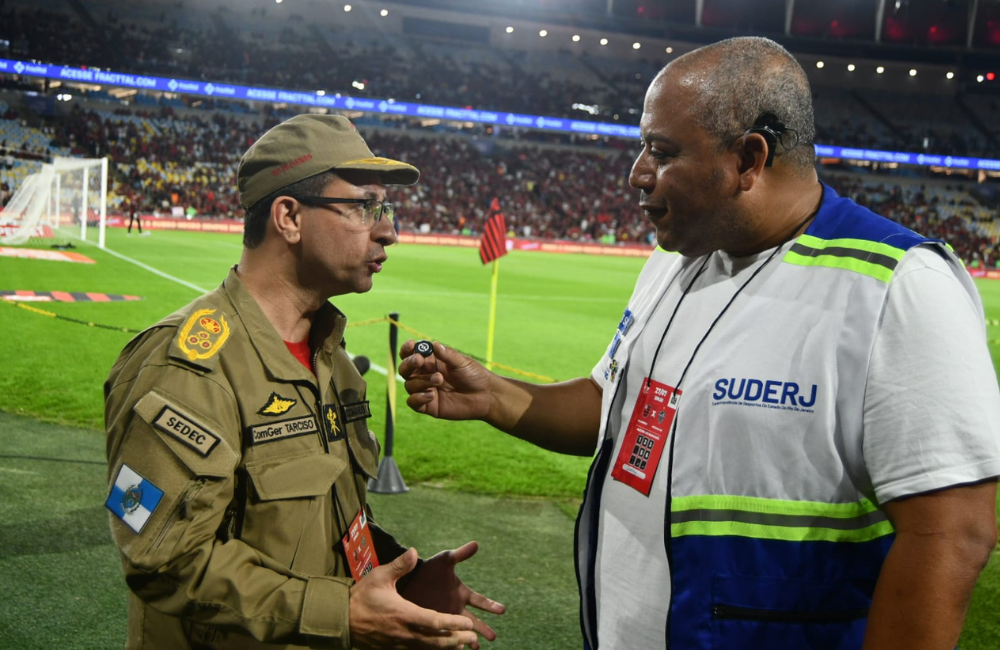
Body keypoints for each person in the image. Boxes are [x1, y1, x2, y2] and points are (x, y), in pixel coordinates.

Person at [399, 37, 1000, 649]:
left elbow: (951, 533)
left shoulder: (899, 287)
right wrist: (494, 396)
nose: (636, 173)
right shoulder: (675, 259)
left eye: (660, 151)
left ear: (749, 158)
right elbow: (620, 409)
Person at [104, 114, 504, 650]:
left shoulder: (332, 359)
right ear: (289, 217)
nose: (388, 229)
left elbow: (324, 520)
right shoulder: (184, 366)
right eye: (364, 206)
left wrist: (396, 575)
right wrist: (341, 611)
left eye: (384, 208)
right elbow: (160, 557)